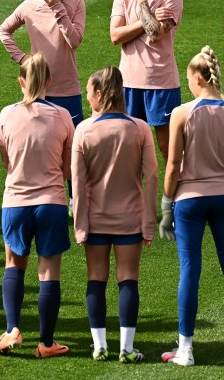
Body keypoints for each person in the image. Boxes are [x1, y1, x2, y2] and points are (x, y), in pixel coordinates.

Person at [157, 46, 224, 366]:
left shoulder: (183, 112)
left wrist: (166, 206)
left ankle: (186, 350)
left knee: (190, 270)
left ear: (198, 77)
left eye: (189, 80)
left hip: (189, 201)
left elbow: (172, 165)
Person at [72, 66, 157, 363]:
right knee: (128, 280)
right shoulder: (140, 129)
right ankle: (126, 347)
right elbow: (152, 177)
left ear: (99, 94)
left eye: (88, 92)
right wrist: (149, 223)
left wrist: (80, 225)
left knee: (96, 279)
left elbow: (78, 184)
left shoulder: (83, 130)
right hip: (130, 220)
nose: (86, 97)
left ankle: (99, 346)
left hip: (95, 220)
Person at [0, 54, 74, 358]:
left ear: (21, 81)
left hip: (15, 202)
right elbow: (68, 167)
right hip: (51, 202)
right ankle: (47, 343)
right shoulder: (64, 116)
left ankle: (13, 329)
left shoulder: (6, 114)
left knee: (14, 264)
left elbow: (6, 161)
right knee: (49, 273)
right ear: (49, 81)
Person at [110, 0, 183, 159]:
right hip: (130, 82)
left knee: (166, 147)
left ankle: (178, 193)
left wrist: (142, 2)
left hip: (161, 82)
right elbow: (115, 35)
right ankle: (134, 194)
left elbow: (157, 35)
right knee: (131, 148)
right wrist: (147, 18)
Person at [0, 0, 86, 126]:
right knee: (39, 142)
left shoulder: (76, 4)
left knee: (71, 146)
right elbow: (3, 31)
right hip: (36, 87)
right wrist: (22, 59)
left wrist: (57, 8)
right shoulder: (28, 6)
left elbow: (74, 41)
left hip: (66, 89)